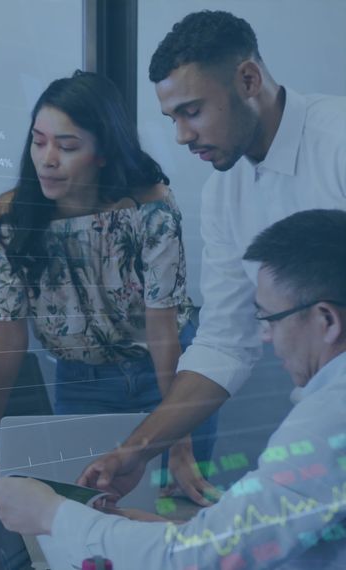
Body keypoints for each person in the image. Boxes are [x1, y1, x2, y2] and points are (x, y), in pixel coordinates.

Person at [78, 9, 346, 508]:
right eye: (172, 118)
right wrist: (137, 450)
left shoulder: (339, 143)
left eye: (193, 111)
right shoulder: (224, 194)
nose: (181, 135)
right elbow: (225, 342)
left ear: (248, 79)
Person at [0, 208, 346, 569]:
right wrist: (171, 534)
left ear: (326, 320)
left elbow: (193, 560)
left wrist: (51, 514)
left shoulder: (330, 418)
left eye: (269, 319)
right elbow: (256, 542)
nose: (266, 337)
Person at [0, 71, 218, 477]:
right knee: (86, 505)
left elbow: (161, 328)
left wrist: (178, 443)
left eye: (67, 146)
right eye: (38, 141)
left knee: (174, 509)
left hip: (165, 374)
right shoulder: (12, 217)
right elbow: (8, 329)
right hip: (83, 383)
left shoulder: (148, 207)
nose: (47, 159)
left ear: (103, 153)